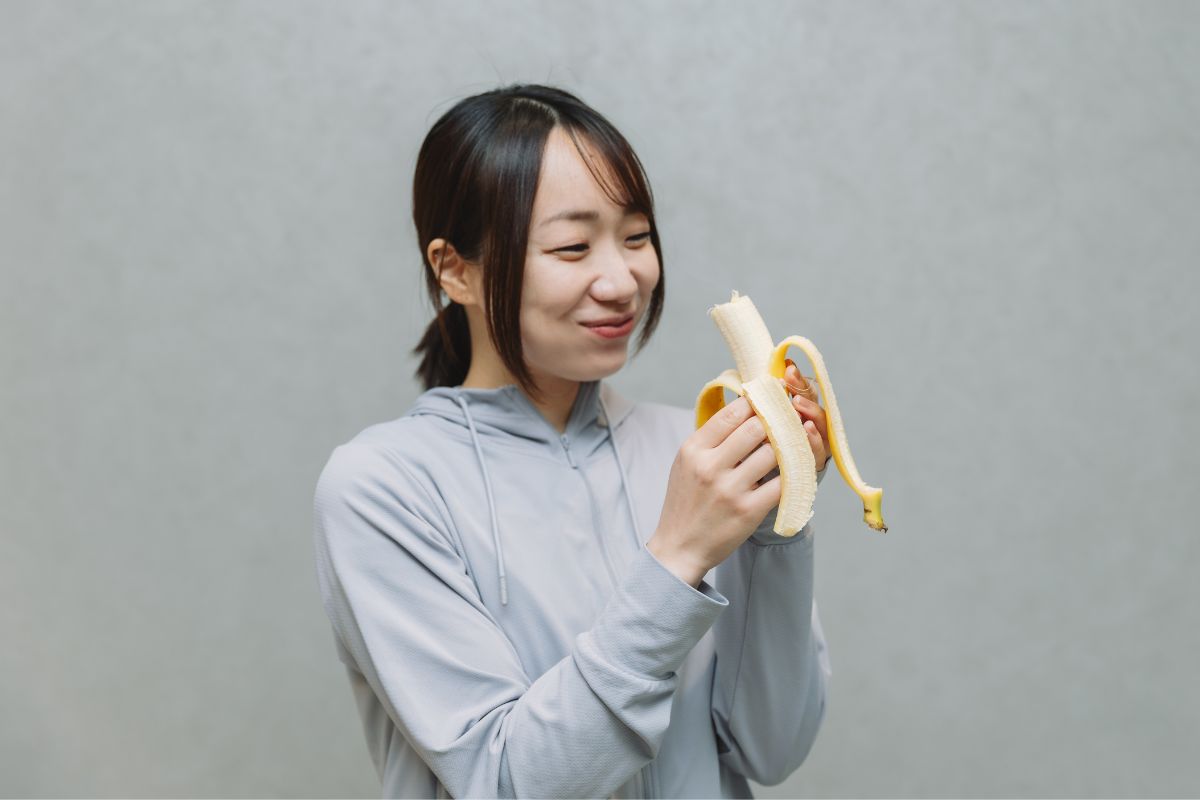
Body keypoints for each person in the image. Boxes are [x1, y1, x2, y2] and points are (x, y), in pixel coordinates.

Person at [312, 83, 833, 799]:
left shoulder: (694, 452)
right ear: (455, 270)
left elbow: (769, 749)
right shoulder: (383, 489)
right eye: (572, 247)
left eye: (637, 237)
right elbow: (507, 780)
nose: (621, 281)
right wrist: (676, 559)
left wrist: (775, 532)